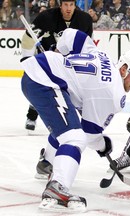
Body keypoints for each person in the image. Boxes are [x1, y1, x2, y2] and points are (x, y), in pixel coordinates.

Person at [20, 28, 130, 211]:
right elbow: (90, 134)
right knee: (75, 138)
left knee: (69, 128)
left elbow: (72, 35)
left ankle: (46, 163)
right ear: (123, 69)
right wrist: (104, 145)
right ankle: (58, 187)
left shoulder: (101, 54)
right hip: (46, 83)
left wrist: (59, 51)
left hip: (38, 76)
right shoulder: (113, 93)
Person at [21, 0, 92, 131]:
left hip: (70, 62)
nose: (68, 8)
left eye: (71, 5)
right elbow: (28, 38)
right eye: (65, 5)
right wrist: (27, 59)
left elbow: (87, 45)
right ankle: (32, 115)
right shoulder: (46, 17)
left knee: (74, 92)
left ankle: (77, 121)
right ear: (60, 6)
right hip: (48, 61)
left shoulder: (85, 20)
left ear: (75, 6)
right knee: (42, 87)